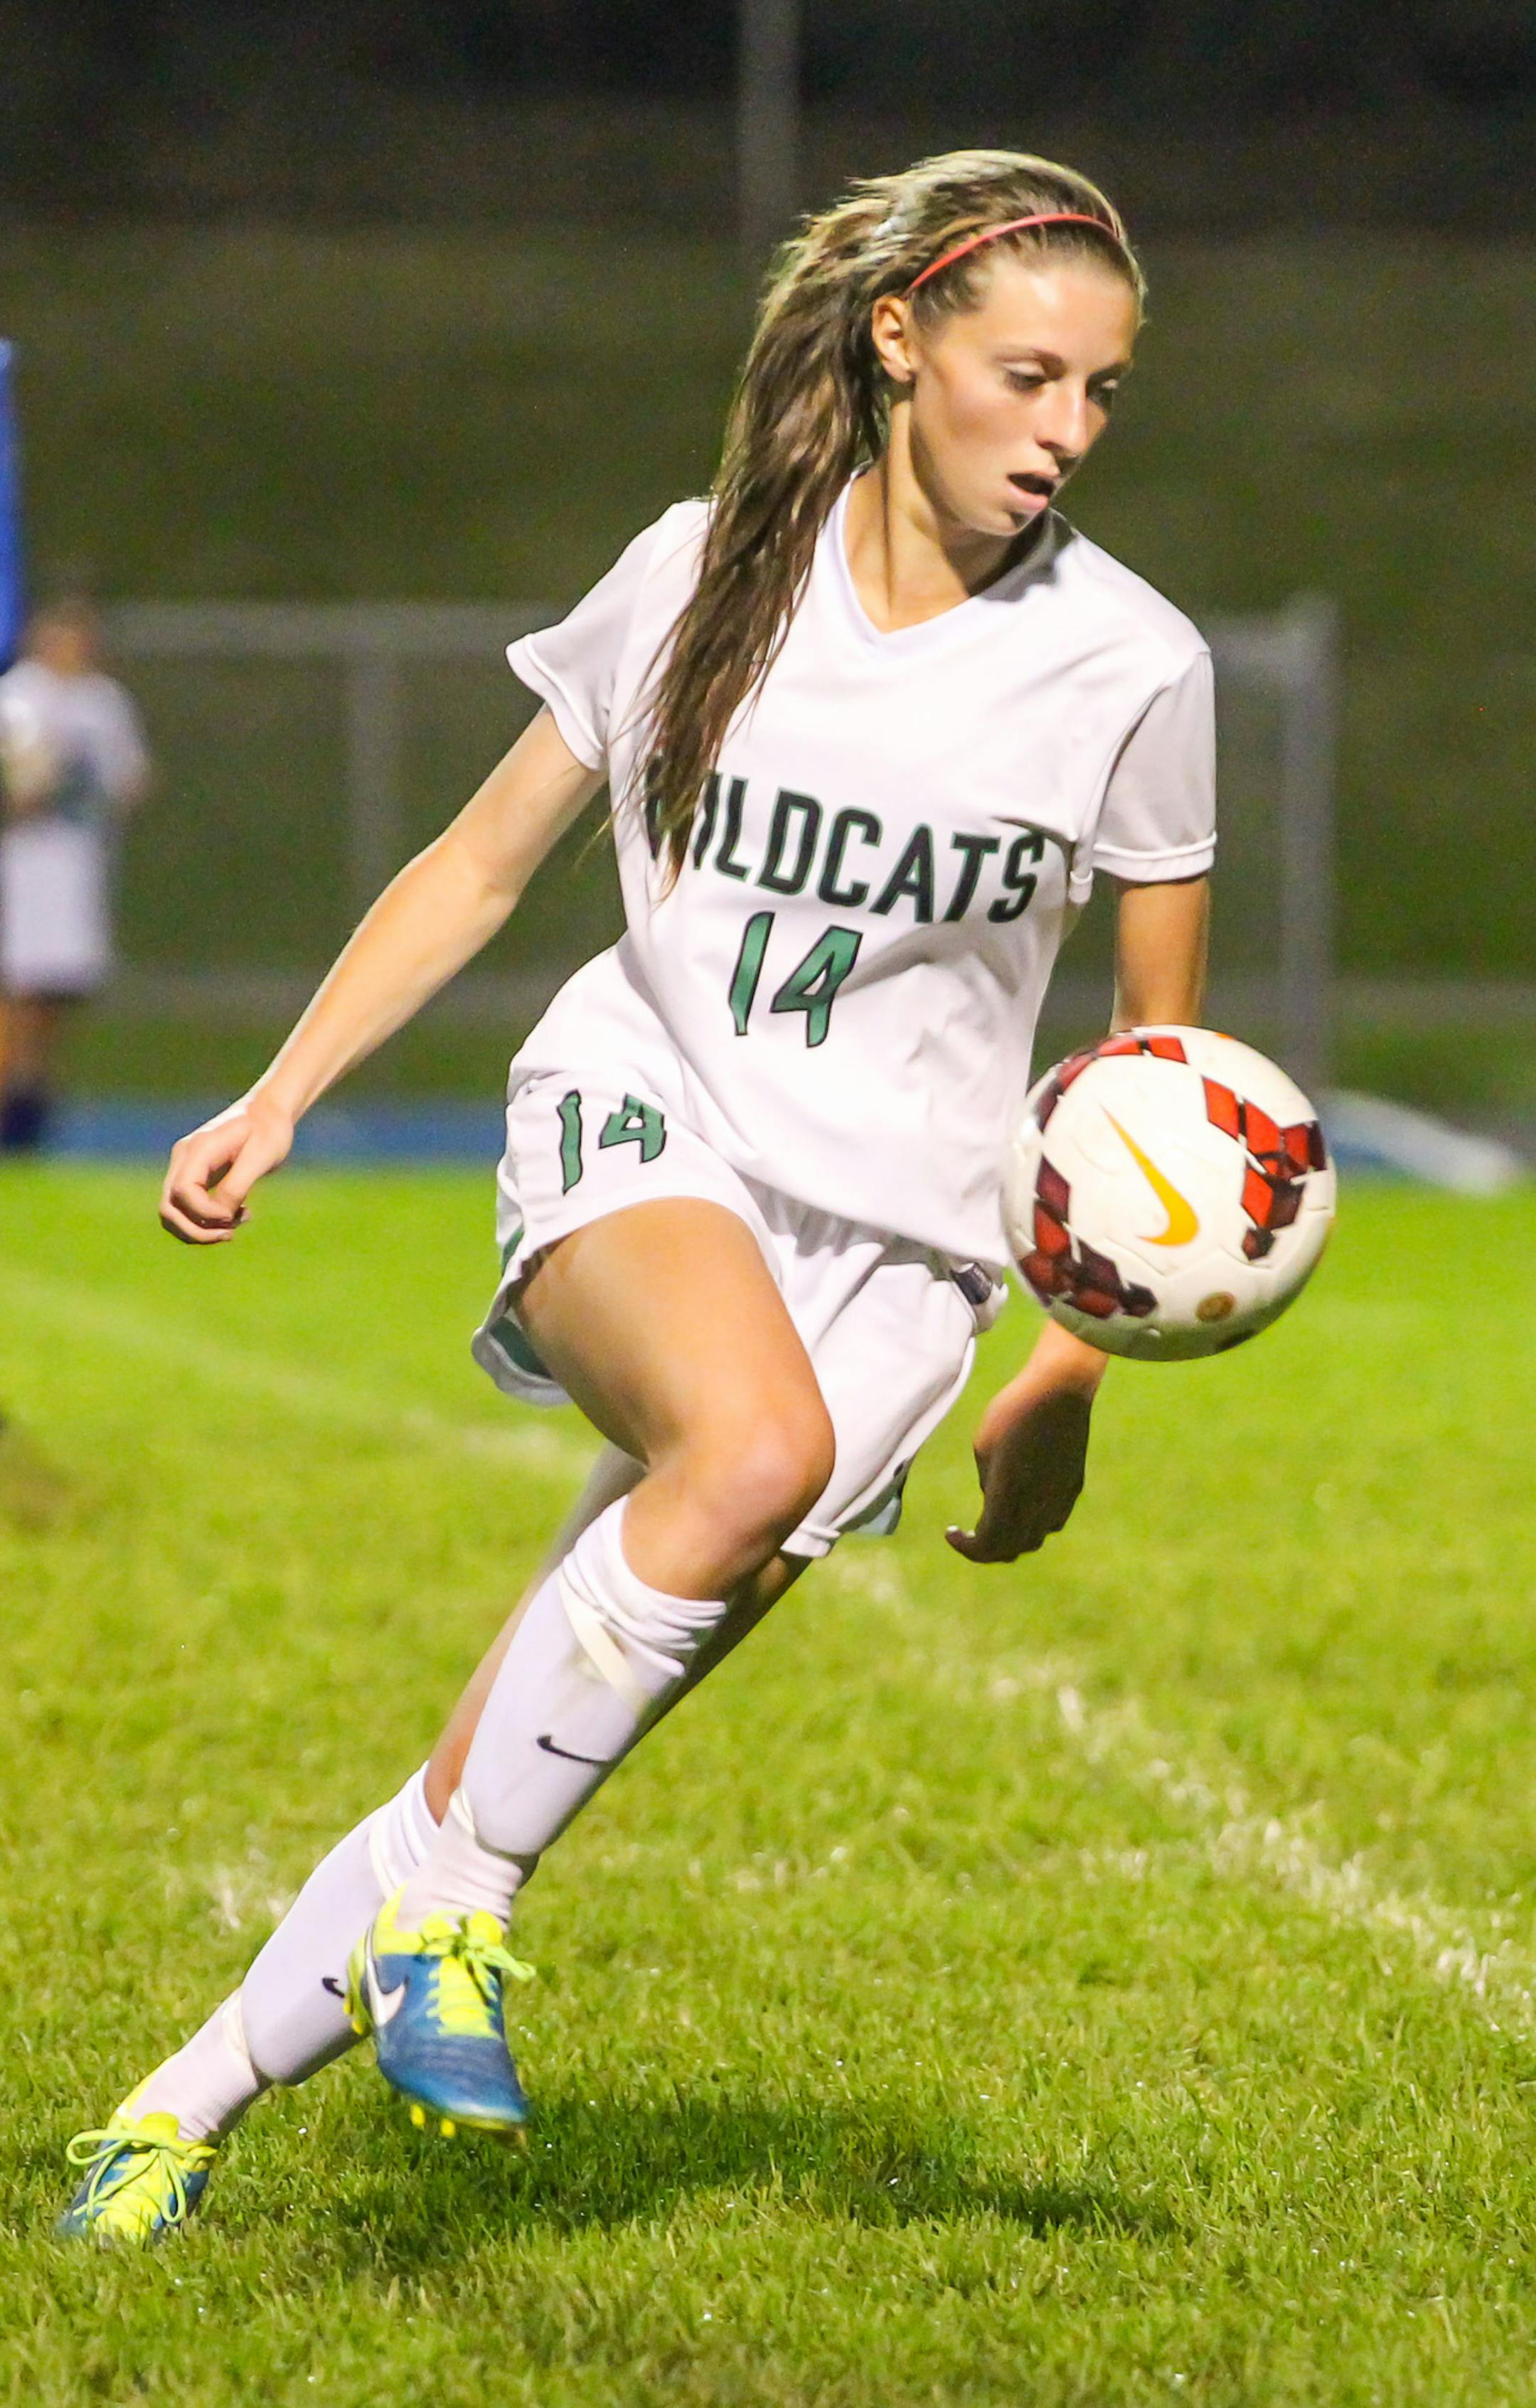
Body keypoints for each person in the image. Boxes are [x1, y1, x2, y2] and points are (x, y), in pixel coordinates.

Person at [60, 148, 1215, 2245]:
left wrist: (1067, 1373)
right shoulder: (701, 574)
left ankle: (174, 2110)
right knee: (736, 1454)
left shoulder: (1135, 668)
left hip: (914, 1268)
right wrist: (283, 1087)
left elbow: (1149, 1097)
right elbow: (488, 859)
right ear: (899, 343)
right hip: (650, 1119)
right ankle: (456, 1923)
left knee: (509, 1754)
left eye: (1105, 394)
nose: (1066, 430)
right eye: (1030, 374)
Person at [0, 595, 149, 1151]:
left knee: (53, 999)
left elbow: (129, 777)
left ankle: (30, 1114)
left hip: (75, 868)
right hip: (20, 868)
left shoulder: (102, 702)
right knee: (15, 994)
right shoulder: (17, 697)